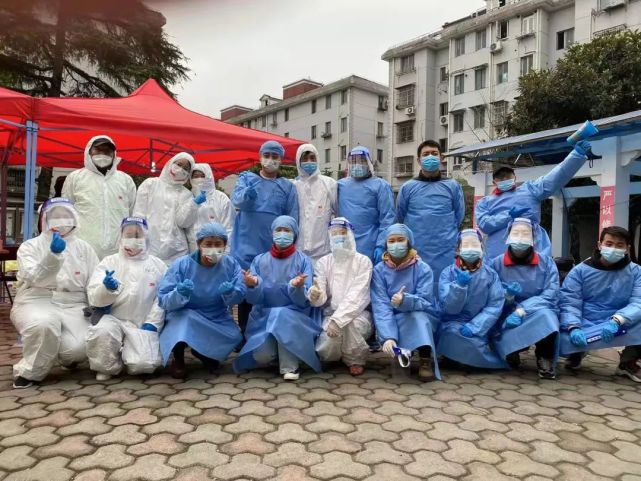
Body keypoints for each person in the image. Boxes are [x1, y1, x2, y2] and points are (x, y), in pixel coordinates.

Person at [10, 198, 99, 388]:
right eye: (56, 216)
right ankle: (29, 372)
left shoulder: (84, 248)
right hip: (37, 299)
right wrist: (53, 256)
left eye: (66, 215)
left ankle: (60, 354)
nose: (61, 220)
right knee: (44, 324)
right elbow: (36, 279)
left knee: (77, 349)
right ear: (44, 219)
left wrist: (100, 300)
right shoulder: (30, 247)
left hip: (73, 303)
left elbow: (94, 281)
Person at [475, 139, 593, 260]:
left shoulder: (530, 189)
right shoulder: (484, 202)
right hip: (497, 255)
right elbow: (484, 225)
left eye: (508, 176)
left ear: (515, 177)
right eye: (500, 177)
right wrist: (508, 216)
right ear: (494, 182)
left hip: (533, 251)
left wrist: (576, 155)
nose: (505, 179)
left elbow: (554, 178)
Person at [233, 215, 318, 381]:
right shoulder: (260, 260)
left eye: (287, 230)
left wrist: (297, 287)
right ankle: (279, 353)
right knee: (261, 356)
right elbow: (254, 300)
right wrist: (252, 285)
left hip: (294, 317)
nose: (282, 234)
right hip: (264, 317)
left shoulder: (303, 261)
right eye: (279, 230)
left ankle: (290, 366)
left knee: (281, 314)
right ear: (272, 233)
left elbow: (304, 300)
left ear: (294, 234)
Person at [157, 222, 246, 379]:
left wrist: (230, 293)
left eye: (217, 244)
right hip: (186, 314)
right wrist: (179, 294)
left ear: (225, 245)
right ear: (199, 244)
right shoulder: (181, 265)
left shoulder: (230, 264)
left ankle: (202, 352)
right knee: (183, 324)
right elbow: (163, 299)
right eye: (208, 244)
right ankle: (178, 358)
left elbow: (241, 293)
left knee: (234, 336)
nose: (213, 248)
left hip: (216, 315)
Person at [85, 217, 167, 380]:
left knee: (144, 365)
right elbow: (94, 297)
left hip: (142, 322)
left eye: (138, 235)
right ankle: (108, 365)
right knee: (102, 332)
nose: (133, 239)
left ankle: (129, 353)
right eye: (128, 235)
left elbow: (163, 298)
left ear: (146, 237)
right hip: (113, 319)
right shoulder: (109, 262)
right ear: (121, 237)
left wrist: (153, 322)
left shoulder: (158, 266)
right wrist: (106, 289)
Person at [231, 140, 299, 333]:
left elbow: (292, 217)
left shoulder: (287, 187)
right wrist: (247, 194)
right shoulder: (247, 179)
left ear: (281, 160)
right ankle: (245, 332)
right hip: (246, 243)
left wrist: (289, 244)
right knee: (247, 287)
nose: (270, 160)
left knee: (270, 288)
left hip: (273, 246)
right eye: (267, 155)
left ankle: (266, 332)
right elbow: (237, 201)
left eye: (275, 156)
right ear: (260, 158)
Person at [559, 226, 641, 382]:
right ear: (599, 245)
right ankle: (576, 353)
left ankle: (628, 362)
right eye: (609, 244)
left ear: (627, 248)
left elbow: (638, 301)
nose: (613, 249)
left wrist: (618, 320)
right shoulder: (580, 271)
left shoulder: (636, 272)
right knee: (560, 340)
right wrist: (573, 326)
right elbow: (569, 302)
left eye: (619, 245)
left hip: (619, 322)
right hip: (585, 322)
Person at [491, 218, 560, 379]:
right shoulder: (496, 264)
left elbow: (551, 293)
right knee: (496, 318)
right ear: (508, 236)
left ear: (534, 238)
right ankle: (510, 350)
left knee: (548, 316)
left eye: (525, 234)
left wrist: (522, 310)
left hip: (537, 310)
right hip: (507, 311)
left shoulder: (546, 263)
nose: (520, 238)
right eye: (515, 233)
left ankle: (545, 357)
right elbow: (491, 295)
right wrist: (507, 296)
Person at [370, 223, 441, 381]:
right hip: (392, 320)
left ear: (409, 241)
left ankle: (425, 358)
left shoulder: (423, 268)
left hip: (418, 316)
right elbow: (380, 305)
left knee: (418, 318)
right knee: (394, 334)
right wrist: (388, 336)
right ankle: (402, 353)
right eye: (391, 241)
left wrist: (405, 300)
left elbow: (425, 301)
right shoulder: (379, 271)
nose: (396, 245)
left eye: (400, 240)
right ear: (385, 244)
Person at [397, 140, 464, 294]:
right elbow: (400, 216)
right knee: (418, 287)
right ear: (418, 160)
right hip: (417, 248)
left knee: (444, 288)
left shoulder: (452, 186)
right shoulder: (407, 187)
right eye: (426, 154)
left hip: (445, 248)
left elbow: (459, 215)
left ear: (442, 158)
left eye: (434, 154)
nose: (430, 157)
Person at [437, 229, 507, 369]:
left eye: (474, 244)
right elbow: (449, 308)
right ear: (458, 249)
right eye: (466, 245)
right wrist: (459, 287)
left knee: (477, 343)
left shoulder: (491, 275)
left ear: (481, 248)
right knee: (451, 334)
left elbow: (495, 305)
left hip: (480, 326)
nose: (471, 249)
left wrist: (475, 327)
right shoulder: (447, 273)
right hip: (453, 323)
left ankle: (464, 356)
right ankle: (454, 355)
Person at [311, 217, 373, 376]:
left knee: (351, 325)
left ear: (350, 234)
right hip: (330, 315)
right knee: (329, 344)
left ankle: (355, 359)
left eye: (342, 232)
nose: (338, 236)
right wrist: (315, 295)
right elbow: (321, 296)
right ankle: (337, 356)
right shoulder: (323, 262)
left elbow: (358, 295)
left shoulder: (363, 261)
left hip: (358, 315)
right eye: (334, 233)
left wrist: (339, 320)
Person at [62, 136, 136, 259]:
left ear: (114, 154)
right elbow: (66, 212)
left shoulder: (125, 180)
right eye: (98, 150)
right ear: (89, 151)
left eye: (107, 151)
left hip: (118, 252)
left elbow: (133, 213)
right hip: (83, 250)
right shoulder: (75, 178)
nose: (103, 154)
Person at [134, 152, 204, 265]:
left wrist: (193, 204)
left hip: (176, 253)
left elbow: (184, 223)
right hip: (149, 249)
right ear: (171, 162)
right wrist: (137, 242)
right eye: (179, 164)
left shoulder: (186, 194)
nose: (181, 169)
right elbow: (138, 215)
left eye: (186, 169)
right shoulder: (150, 184)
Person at [337, 146, 394, 263]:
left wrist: (381, 245)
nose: (357, 164)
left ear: (369, 162)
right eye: (354, 161)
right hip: (344, 244)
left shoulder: (381, 186)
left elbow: (388, 218)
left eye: (362, 160)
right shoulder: (340, 185)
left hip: (370, 245)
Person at [293, 144, 337, 264]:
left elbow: (337, 212)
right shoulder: (294, 186)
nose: (309, 162)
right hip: (299, 248)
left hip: (324, 250)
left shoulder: (329, 184)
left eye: (312, 158)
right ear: (298, 161)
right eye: (305, 159)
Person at [186, 163, 235, 252]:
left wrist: (225, 252)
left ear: (208, 176)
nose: (199, 179)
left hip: (216, 249)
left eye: (202, 176)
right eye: (195, 176)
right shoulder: (187, 197)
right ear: (190, 179)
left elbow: (229, 228)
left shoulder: (221, 198)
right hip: (192, 251)